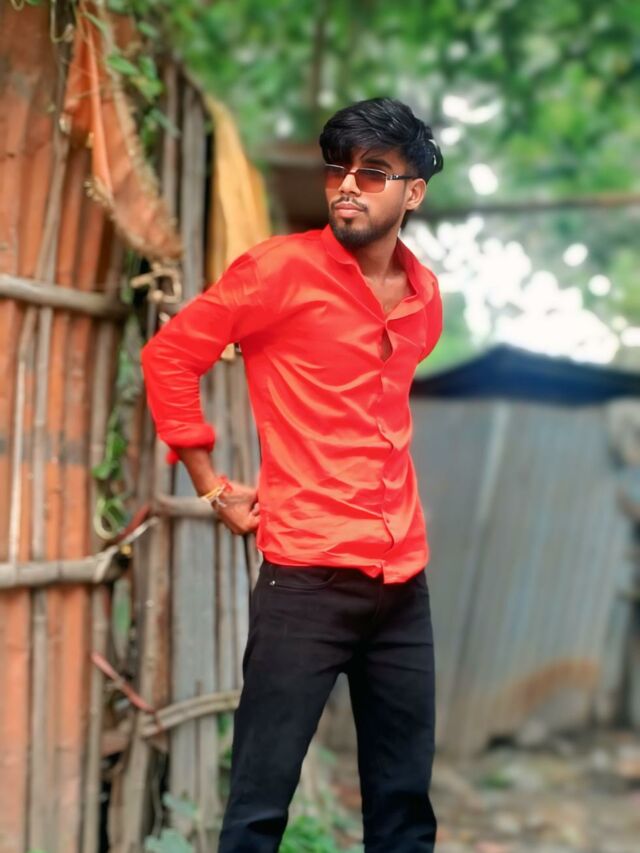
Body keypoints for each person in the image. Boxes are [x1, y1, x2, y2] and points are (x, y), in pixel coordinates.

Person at [141, 97, 444, 853]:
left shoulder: (425, 299)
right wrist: (210, 483)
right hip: (305, 579)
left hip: (403, 582)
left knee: (405, 810)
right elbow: (170, 356)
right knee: (259, 807)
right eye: (338, 170)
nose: (348, 186)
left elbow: (374, 419)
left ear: (413, 192)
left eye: (373, 173)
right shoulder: (278, 270)